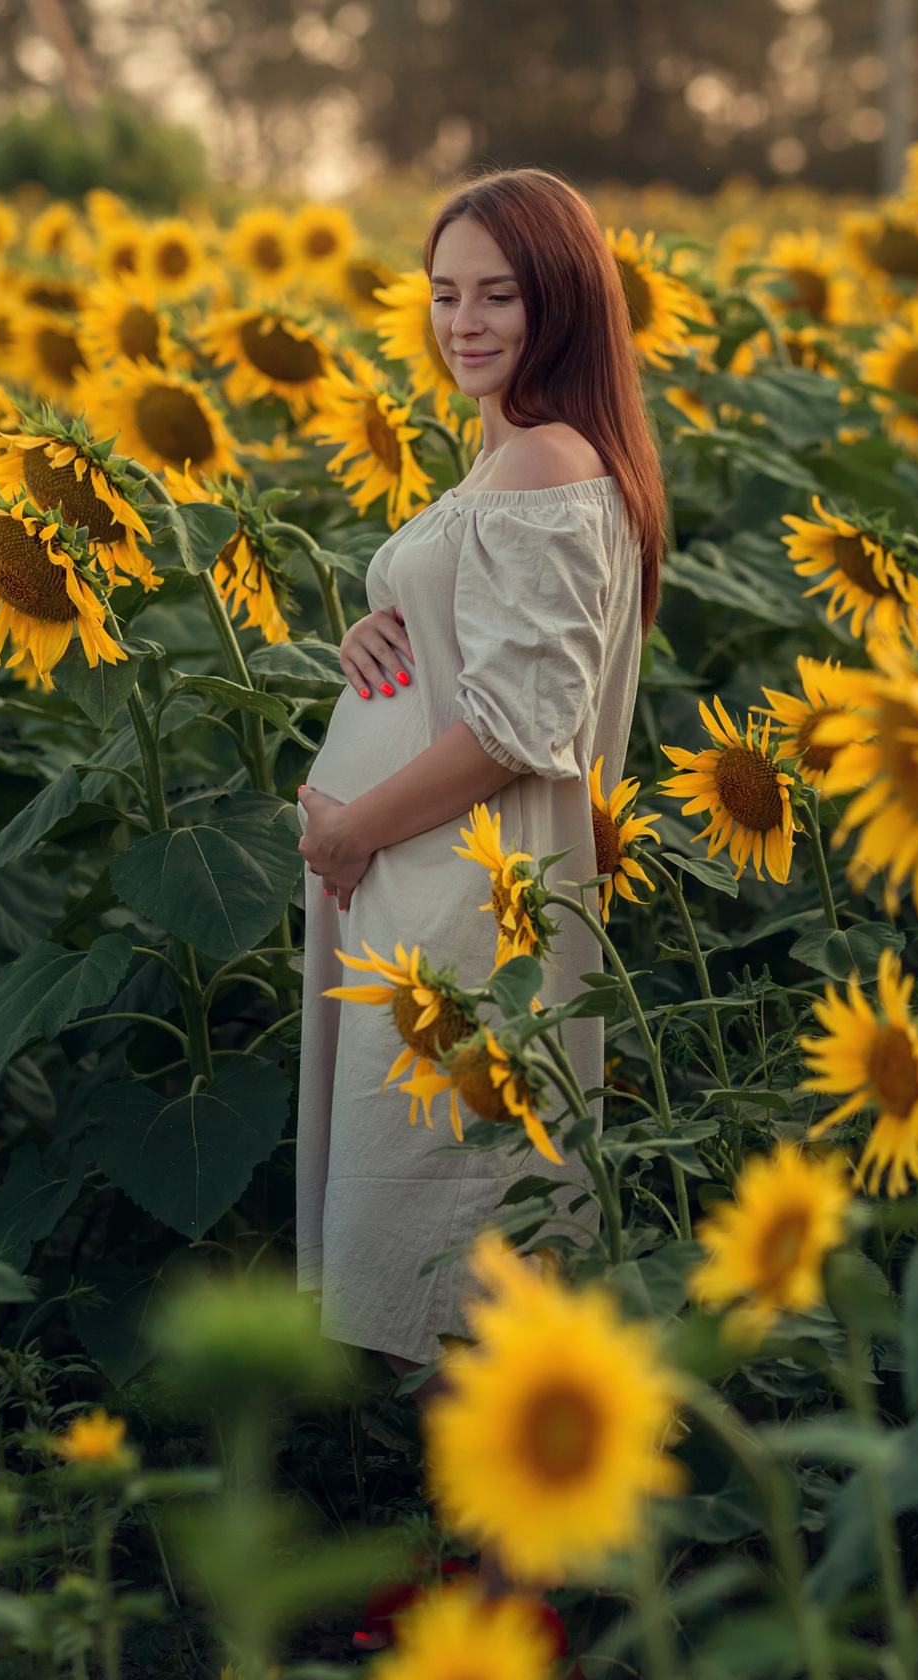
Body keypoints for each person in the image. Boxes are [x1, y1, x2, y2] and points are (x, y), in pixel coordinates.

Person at [293, 168, 667, 1375]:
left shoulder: (549, 464)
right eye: (444, 293)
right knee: (431, 1247)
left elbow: (521, 721)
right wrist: (375, 624)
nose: (463, 322)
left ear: (558, 301)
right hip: (423, 893)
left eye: (496, 295)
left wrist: (352, 831)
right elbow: (477, 654)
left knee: (459, 1259)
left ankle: (498, 1548)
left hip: (464, 901)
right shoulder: (513, 457)